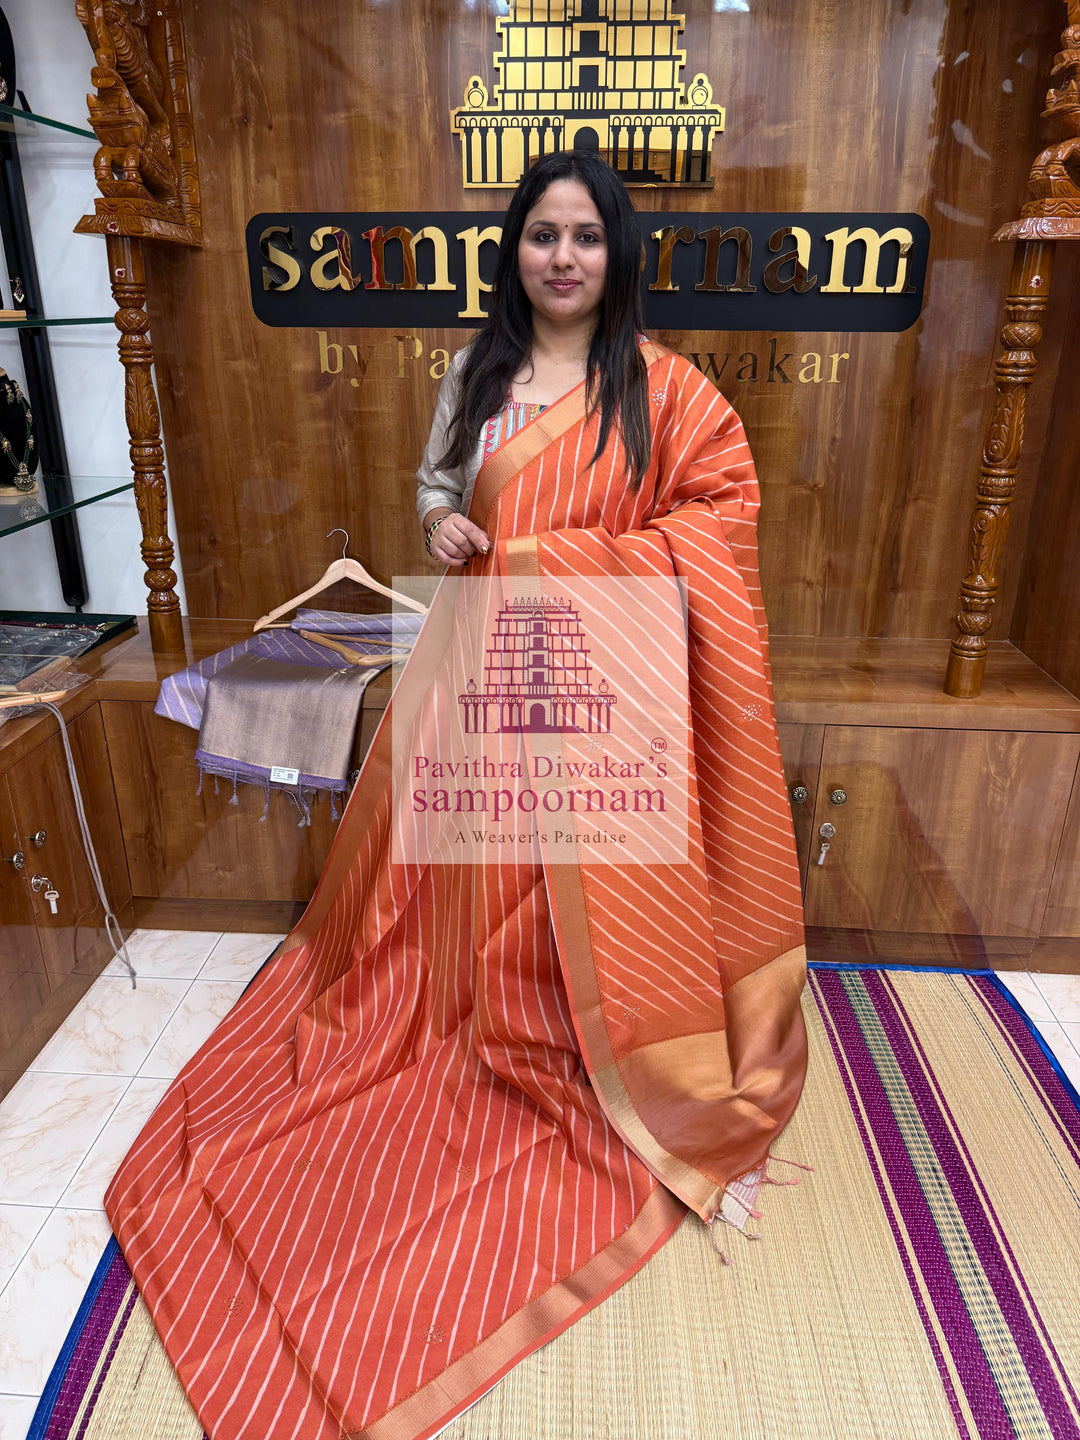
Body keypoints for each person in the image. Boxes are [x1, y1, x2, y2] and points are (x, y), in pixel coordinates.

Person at [105, 152, 808, 1440]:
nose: (561, 258)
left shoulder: (666, 392)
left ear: (617, 253)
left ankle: (600, 1048)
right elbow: (439, 494)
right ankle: (481, 1019)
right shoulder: (476, 377)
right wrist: (442, 528)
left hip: (611, 689)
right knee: (469, 889)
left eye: (585, 237)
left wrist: (558, 555)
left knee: (582, 897)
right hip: (489, 667)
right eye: (541, 234)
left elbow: (721, 516)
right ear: (516, 249)